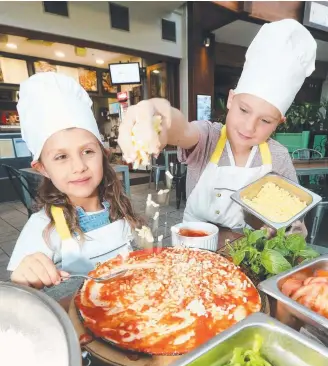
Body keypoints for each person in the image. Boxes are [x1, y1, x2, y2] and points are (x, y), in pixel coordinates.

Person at [118, 19, 316, 236]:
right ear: (231, 99)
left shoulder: (278, 157)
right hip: (193, 248)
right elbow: (180, 128)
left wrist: (294, 231)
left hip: (248, 254)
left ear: (279, 122)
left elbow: (294, 215)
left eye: (265, 121)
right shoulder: (208, 139)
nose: (249, 127)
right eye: (244, 110)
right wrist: (156, 113)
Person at [8, 72, 140, 289]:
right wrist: (25, 276)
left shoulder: (119, 205)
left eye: (88, 151)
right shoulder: (43, 227)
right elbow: (20, 295)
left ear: (103, 153)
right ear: (43, 168)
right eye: (61, 157)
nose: (79, 166)